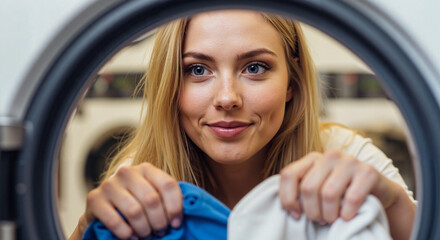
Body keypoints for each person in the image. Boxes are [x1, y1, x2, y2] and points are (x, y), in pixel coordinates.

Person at [69, 10, 416, 240]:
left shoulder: (341, 154)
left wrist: (390, 201)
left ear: (291, 82)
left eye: (254, 68)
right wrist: (88, 226)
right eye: (197, 70)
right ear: (171, 86)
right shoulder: (140, 185)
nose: (227, 98)